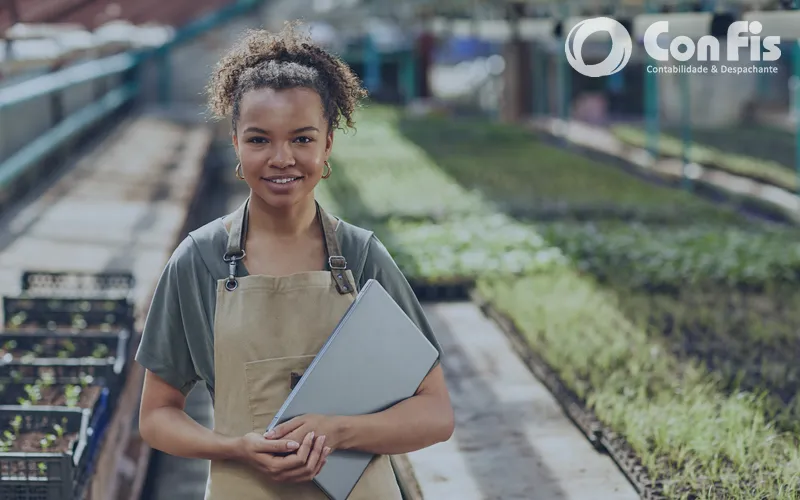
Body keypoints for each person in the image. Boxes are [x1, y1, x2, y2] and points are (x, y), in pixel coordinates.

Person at [135, 22, 455, 500]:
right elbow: (157, 415)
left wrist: (339, 431)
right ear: (236, 145)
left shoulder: (363, 257)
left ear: (328, 144)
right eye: (260, 139)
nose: (281, 158)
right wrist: (233, 447)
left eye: (302, 139)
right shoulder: (198, 262)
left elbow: (435, 413)